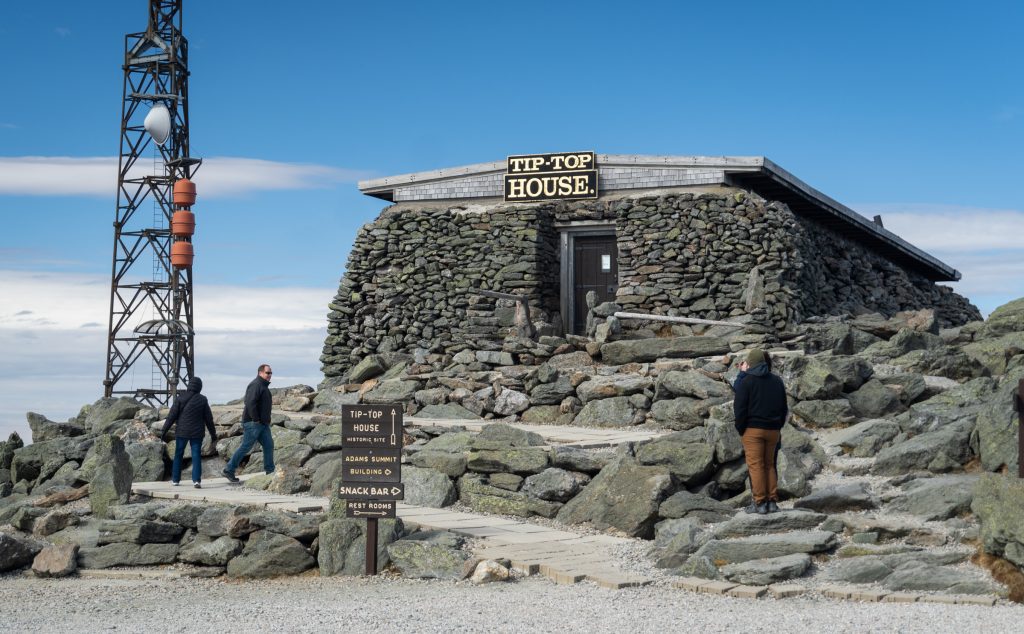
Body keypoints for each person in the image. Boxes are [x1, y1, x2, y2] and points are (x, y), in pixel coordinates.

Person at [733, 349, 787, 514]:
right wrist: (777, 426)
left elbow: (739, 409)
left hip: (753, 430)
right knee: (770, 465)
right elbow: (783, 408)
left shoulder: (746, 381)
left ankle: (759, 503)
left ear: (751, 363)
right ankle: (772, 502)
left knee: (756, 466)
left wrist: (741, 429)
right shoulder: (777, 381)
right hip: (773, 430)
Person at [222, 364, 275, 483]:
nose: (270, 375)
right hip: (253, 423)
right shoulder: (256, 384)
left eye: (271, 373)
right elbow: (250, 403)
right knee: (246, 447)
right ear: (260, 373)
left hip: (263, 424)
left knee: (269, 445)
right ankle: (229, 469)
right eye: (267, 373)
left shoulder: (263, 386)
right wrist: (256, 419)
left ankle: (270, 472)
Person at [160, 376, 216, 489]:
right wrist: (213, 434)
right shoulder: (203, 399)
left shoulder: (181, 398)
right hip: (197, 433)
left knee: (178, 454)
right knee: (196, 455)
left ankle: (175, 480)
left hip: (182, 432)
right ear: (200, 387)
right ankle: (196, 481)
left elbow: (171, 416)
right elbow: (209, 419)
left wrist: (163, 431)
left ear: (189, 385)